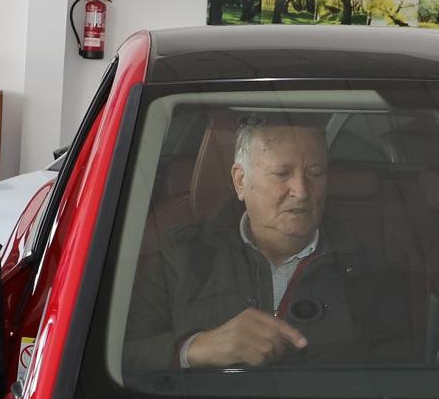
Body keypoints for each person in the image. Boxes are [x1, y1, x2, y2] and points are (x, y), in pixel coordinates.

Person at [123, 114, 415, 374]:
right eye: (281, 174)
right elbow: (119, 356)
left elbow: (402, 379)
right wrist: (195, 349)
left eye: (315, 173)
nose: (301, 191)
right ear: (240, 181)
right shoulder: (182, 257)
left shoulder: (373, 272)